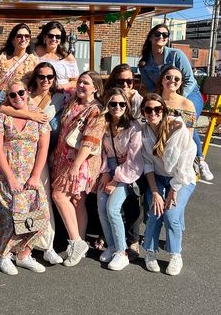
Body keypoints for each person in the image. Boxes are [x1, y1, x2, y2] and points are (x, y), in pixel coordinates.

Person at [0, 62, 68, 264]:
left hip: (42, 156)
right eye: (41, 76)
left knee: (42, 201)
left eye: (49, 77)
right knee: (24, 204)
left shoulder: (59, 98)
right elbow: (3, 107)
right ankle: (22, 247)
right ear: (35, 78)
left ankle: (46, 245)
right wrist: (29, 114)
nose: (45, 80)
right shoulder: (23, 95)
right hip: (19, 160)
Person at [0, 80, 50, 275]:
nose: (17, 97)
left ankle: (24, 254)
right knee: (15, 217)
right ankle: (4, 254)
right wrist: (11, 178)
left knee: (41, 216)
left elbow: (43, 146)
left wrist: (36, 175)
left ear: (28, 92)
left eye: (21, 93)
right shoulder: (1, 117)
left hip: (31, 175)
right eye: (12, 95)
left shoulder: (38, 116)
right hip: (7, 174)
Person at [138, 23, 213, 180]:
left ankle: (199, 160)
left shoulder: (176, 55)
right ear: (151, 36)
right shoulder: (144, 64)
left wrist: (178, 97)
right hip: (164, 96)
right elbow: (152, 88)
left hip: (189, 94)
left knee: (185, 122)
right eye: (158, 34)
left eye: (165, 35)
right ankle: (163, 160)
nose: (161, 37)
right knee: (157, 119)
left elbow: (190, 80)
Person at [51, 71, 105, 267]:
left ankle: (75, 242)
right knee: (76, 201)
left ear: (96, 88)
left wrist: (75, 165)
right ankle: (79, 244)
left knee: (59, 196)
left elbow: (91, 141)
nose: (81, 86)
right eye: (80, 82)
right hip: (63, 158)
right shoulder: (73, 103)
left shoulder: (96, 110)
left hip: (79, 163)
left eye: (86, 83)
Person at [141, 94, 197, 276]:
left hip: (181, 179)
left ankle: (175, 255)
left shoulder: (177, 127)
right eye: (148, 109)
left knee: (171, 215)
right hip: (157, 178)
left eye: (157, 109)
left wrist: (173, 190)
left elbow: (185, 162)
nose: (153, 113)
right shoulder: (144, 131)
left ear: (163, 111)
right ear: (143, 111)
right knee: (155, 212)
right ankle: (150, 252)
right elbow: (147, 164)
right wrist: (155, 192)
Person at [96, 88, 143, 271]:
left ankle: (122, 252)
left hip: (127, 172)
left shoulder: (133, 127)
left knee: (113, 208)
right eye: (113, 104)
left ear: (127, 106)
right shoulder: (104, 124)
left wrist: (115, 180)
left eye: (122, 104)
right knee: (101, 207)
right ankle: (112, 245)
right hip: (108, 167)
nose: (117, 107)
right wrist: (106, 172)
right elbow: (100, 151)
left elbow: (134, 160)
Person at [0, 23, 39, 117]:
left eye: (27, 36)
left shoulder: (33, 60)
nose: (23, 39)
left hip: (21, 99)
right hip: (0, 97)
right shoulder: (3, 58)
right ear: (13, 40)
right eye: (19, 36)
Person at [34, 21, 79, 91]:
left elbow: (76, 81)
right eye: (50, 36)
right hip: (38, 94)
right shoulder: (35, 51)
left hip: (61, 95)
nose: (54, 39)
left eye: (58, 37)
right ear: (44, 36)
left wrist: (62, 86)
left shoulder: (68, 57)